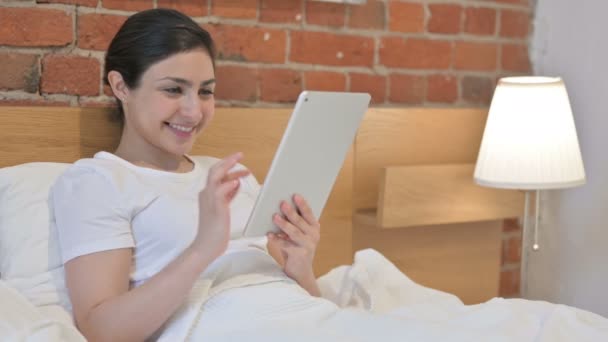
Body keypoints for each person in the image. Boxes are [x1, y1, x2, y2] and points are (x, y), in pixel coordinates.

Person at [50, 8, 322, 341]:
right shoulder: (97, 182)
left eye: (205, 91)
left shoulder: (231, 174)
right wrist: (202, 249)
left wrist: (302, 268)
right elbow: (101, 330)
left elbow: (305, 304)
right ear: (120, 86)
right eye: (173, 90)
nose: (194, 111)